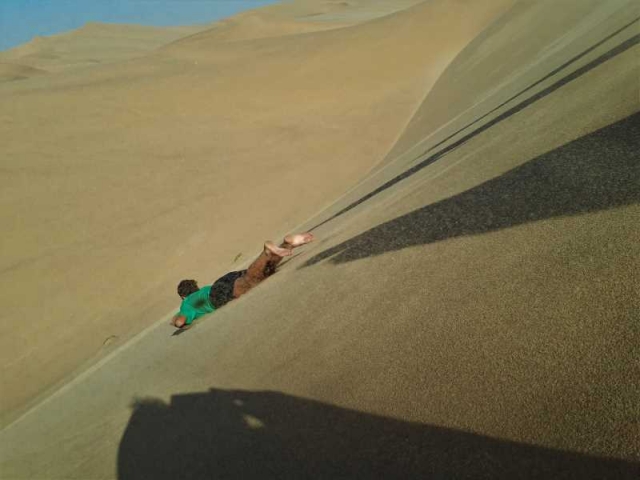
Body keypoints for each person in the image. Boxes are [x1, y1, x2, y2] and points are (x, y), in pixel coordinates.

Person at [171, 232, 314, 329]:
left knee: (251, 280)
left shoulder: (187, 303)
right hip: (221, 281)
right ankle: (287, 244)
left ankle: (268, 252)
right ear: (195, 287)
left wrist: (177, 321)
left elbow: (180, 321)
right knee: (263, 272)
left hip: (216, 295)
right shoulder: (201, 292)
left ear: (183, 296)